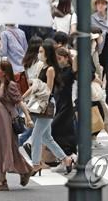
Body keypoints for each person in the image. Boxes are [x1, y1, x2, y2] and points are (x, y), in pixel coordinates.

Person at [23, 39, 74, 176]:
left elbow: (48, 89)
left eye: (41, 52)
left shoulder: (51, 69)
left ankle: (35, 164)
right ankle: (66, 159)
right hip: (40, 104)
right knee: (47, 137)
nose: (39, 54)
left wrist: (32, 94)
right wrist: (23, 97)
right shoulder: (42, 66)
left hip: (47, 105)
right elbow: (36, 85)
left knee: (36, 136)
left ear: (47, 53)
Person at [0, 61, 34, 191]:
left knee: (6, 146)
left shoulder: (11, 85)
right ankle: (24, 170)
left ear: (4, 72)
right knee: (3, 146)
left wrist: (28, 117)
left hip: (5, 121)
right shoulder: (1, 83)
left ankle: (3, 179)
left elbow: (20, 102)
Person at [91, 0, 108, 107]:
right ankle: (97, 96)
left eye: (103, 3)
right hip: (97, 47)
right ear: (96, 5)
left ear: (106, 5)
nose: (100, 5)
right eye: (98, 3)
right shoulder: (92, 18)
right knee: (96, 72)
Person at [52, 48, 77, 159]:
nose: (58, 61)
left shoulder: (70, 70)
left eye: (60, 58)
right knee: (64, 130)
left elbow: (76, 71)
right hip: (58, 103)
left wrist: (75, 57)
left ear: (66, 58)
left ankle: (68, 155)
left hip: (67, 104)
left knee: (56, 129)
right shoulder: (58, 70)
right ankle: (68, 156)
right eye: (56, 59)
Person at [20, 36, 43, 147]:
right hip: (37, 94)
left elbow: (28, 79)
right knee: (33, 125)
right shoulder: (40, 63)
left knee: (37, 124)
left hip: (31, 94)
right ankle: (18, 143)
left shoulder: (26, 61)